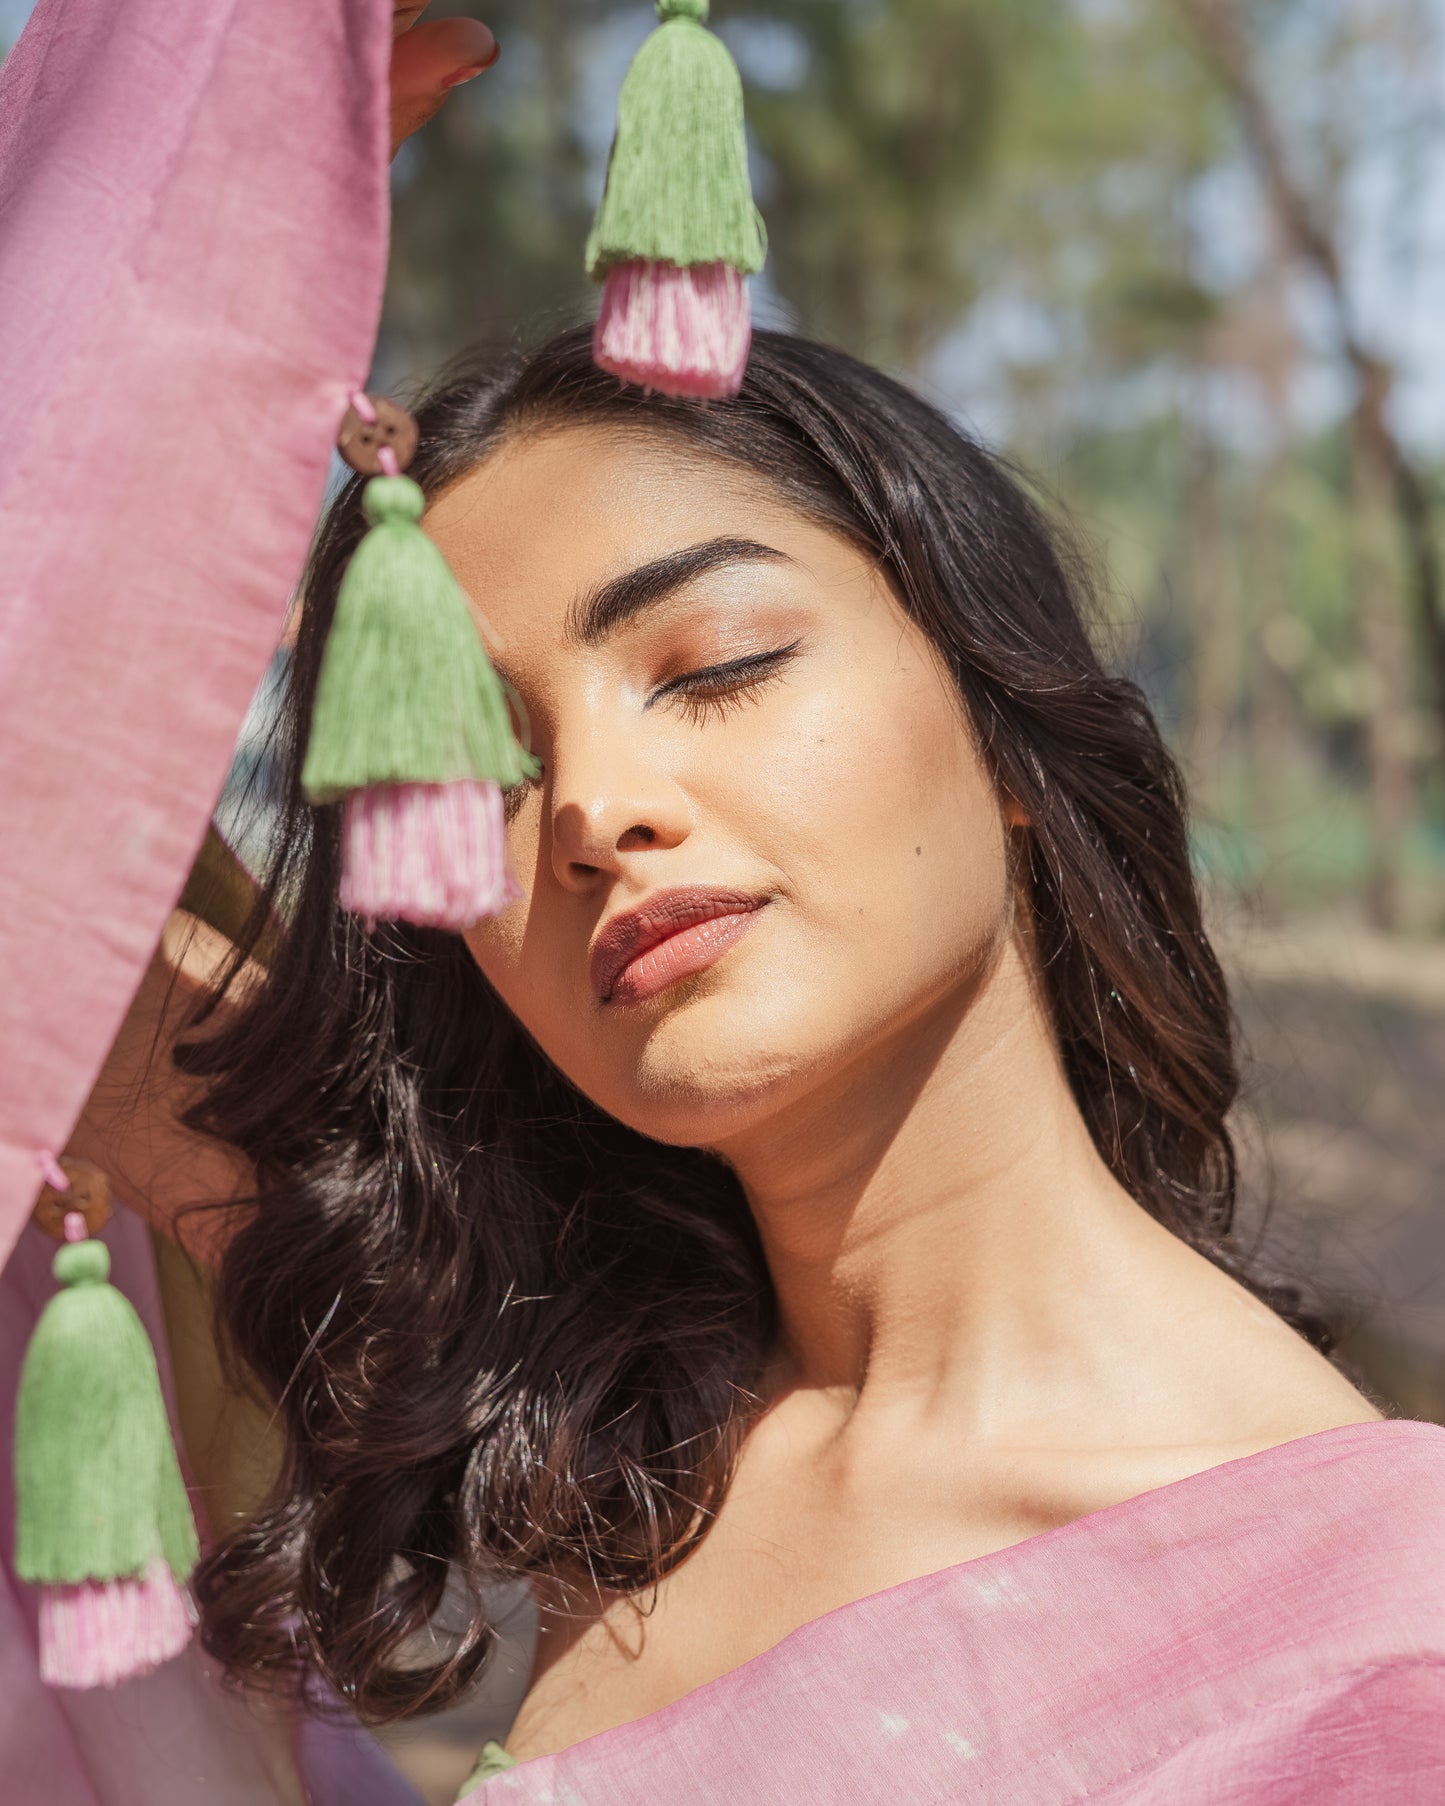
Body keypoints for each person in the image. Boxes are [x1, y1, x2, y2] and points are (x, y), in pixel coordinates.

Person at [79, 322, 1445, 1803]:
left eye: (719, 664)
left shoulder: (1376, 1636)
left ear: (1002, 729)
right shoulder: (606, 1457)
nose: (592, 808)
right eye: (489, 772)